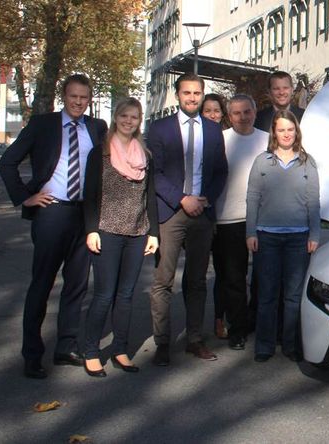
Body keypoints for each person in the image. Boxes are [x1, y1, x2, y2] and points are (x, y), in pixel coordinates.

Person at [0, 74, 108, 379]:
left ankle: (66, 346)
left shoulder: (96, 128)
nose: (78, 102)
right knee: (42, 283)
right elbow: (7, 163)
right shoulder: (42, 125)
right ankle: (32, 354)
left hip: (84, 215)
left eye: (84, 98)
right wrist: (25, 197)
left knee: (77, 284)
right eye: (73, 96)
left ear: (90, 99)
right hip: (52, 212)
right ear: (64, 95)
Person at [148, 73, 229, 366]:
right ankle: (162, 343)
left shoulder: (212, 129)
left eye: (197, 93)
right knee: (163, 281)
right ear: (177, 95)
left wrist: (205, 198)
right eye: (187, 93)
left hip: (202, 214)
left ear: (202, 94)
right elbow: (153, 173)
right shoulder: (160, 129)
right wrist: (182, 199)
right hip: (171, 212)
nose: (192, 98)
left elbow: (221, 171)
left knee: (196, 281)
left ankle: (195, 339)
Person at [81, 98, 159, 377]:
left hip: (137, 232)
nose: (129, 121)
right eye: (124, 116)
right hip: (106, 231)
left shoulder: (145, 155)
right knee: (104, 295)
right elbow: (89, 196)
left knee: (126, 296)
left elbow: (149, 195)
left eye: (134, 117)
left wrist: (154, 233)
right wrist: (91, 230)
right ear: (116, 118)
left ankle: (120, 349)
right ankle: (90, 351)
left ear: (140, 121)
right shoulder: (99, 153)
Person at [246, 110, 320, 363]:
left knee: (293, 295)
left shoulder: (306, 162)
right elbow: (253, 198)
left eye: (290, 129)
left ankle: (290, 344)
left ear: (296, 131)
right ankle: (264, 345)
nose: (286, 134)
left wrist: (315, 233)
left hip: (298, 238)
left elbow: (314, 201)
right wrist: (250, 231)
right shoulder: (262, 161)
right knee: (267, 294)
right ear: (274, 132)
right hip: (267, 236)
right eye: (281, 130)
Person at [213, 94, 269, 351]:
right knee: (234, 278)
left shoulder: (267, 141)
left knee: (262, 276)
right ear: (229, 116)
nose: (243, 117)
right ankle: (237, 328)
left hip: (263, 218)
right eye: (237, 113)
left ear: (255, 112)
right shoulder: (220, 140)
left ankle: (257, 321)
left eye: (247, 112)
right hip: (228, 218)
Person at [201, 92, 230, 340]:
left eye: (216, 110)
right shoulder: (197, 140)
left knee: (225, 273)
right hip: (202, 215)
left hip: (228, 217)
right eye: (207, 110)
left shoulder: (229, 139)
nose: (212, 114)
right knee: (197, 273)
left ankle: (220, 319)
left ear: (223, 114)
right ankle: (195, 326)